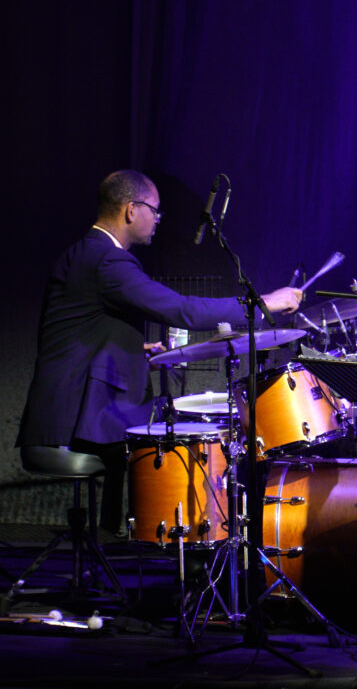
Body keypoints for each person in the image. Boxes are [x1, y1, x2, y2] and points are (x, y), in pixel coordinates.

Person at [17, 169, 302, 533]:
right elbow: (183, 310)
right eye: (156, 210)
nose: (157, 220)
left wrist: (135, 348)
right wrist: (264, 302)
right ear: (131, 210)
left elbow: (80, 329)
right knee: (169, 441)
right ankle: (171, 546)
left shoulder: (86, 254)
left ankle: (120, 542)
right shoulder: (107, 260)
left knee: (157, 425)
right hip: (71, 417)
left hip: (63, 407)